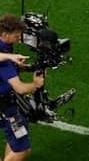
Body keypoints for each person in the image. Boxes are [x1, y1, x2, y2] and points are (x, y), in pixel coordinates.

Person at [0, 15, 45, 161]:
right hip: (7, 108)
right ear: (5, 34)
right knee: (22, 151)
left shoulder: (5, 48)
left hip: (8, 103)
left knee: (15, 142)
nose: (19, 38)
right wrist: (36, 85)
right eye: (16, 35)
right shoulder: (4, 62)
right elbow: (20, 88)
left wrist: (28, 67)